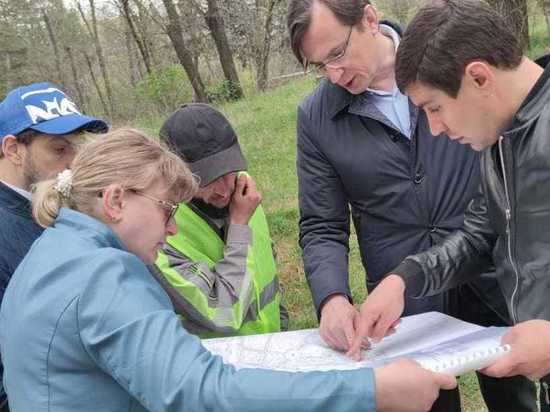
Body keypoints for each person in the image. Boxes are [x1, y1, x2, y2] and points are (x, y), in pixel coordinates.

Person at [0, 128, 456, 412]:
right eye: (166, 209)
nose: (174, 226)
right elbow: (199, 393)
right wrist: (370, 391)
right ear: (117, 201)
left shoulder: (51, 253)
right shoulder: (102, 275)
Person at [286, 0, 536, 410]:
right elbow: (321, 224)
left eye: (336, 53)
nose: (334, 74)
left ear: (368, 18)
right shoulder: (317, 118)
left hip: (491, 270)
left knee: (516, 393)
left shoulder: (445, 60)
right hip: (404, 304)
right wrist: (331, 297)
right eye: (319, 66)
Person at [0, 81, 107, 411]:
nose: (73, 163)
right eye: (60, 149)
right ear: (13, 148)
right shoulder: (7, 230)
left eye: (76, 148)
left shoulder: (51, 207)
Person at [153, 103, 287, 337]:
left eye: (227, 170)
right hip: (221, 364)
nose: (224, 190)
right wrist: (238, 227)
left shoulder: (245, 191)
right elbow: (224, 312)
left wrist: (282, 323)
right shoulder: (161, 235)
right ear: (175, 175)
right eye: (206, 178)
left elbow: (266, 262)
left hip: (274, 342)